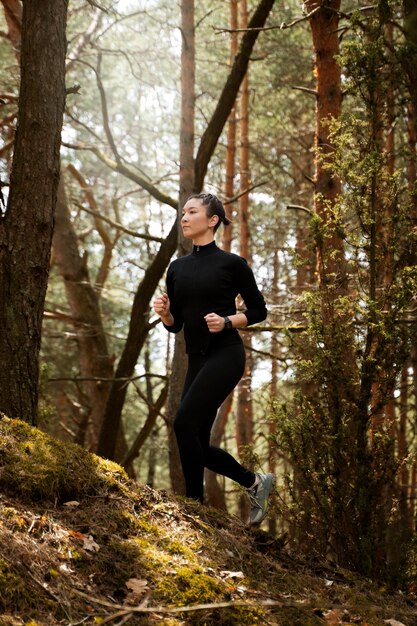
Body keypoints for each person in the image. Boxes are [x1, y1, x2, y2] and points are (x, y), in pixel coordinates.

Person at [153, 192, 275, 525]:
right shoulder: (177, 269)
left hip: (226, 354)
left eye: (192, 211)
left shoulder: (232, 264)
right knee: (192, 438)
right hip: (197, 359)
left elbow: (259, 310)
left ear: (212, 221)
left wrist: (227, 321)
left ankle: (192, 509)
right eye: (182, 213)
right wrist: (165, 314)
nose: (184, 217)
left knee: (182, 422)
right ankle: (251, 483)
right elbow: (177, 324)